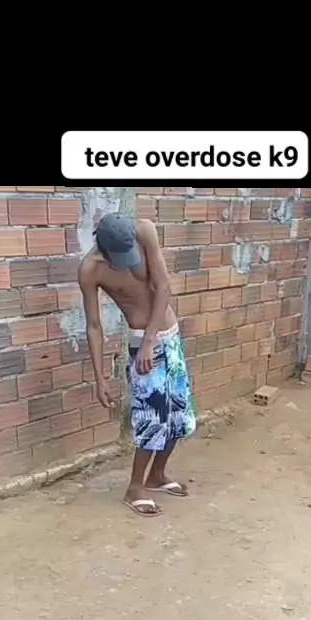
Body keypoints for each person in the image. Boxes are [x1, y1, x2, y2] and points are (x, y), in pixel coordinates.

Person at [79, 212, 196, 517]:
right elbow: (94, 326)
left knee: (179, 416)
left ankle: (157, 475)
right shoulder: (91, 270)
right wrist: (100, 379)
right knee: (152, 418)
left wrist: (151, 340)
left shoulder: (144, 230)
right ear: (104, 249)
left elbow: (163, 287)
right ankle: (135, 488)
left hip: (166, 335)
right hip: (141, 339)